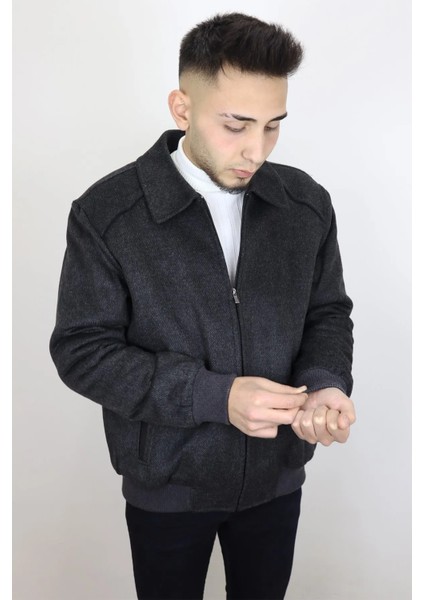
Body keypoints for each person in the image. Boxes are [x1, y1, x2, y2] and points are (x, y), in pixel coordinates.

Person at [50, 12, 355, 600]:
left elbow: (327, 312)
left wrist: (324, 382)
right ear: (182, 108)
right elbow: (82, 351)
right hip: (167, 486)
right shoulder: (108, 214)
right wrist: (217, 396)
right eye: (236, 125)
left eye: (272, 126)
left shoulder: (305, 205)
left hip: (276, 479)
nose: (256, 150)